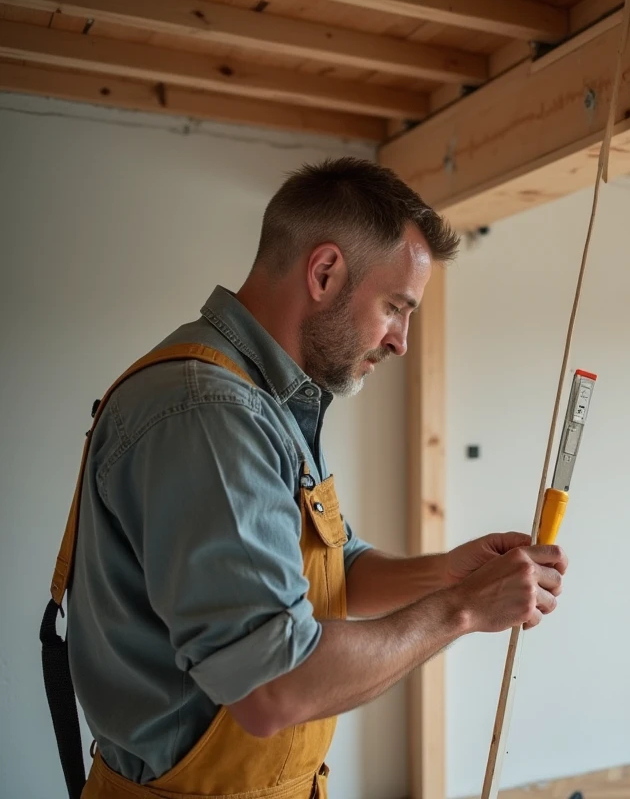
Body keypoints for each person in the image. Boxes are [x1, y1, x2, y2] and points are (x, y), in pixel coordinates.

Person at [41, 157, 568, 799]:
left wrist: (448, 574)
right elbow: (272, 688)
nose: (401, 341)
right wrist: (462, 609)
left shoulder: (266, 398)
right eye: (395, 307)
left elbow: (327, 568)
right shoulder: (212, 413)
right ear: (324, 273)